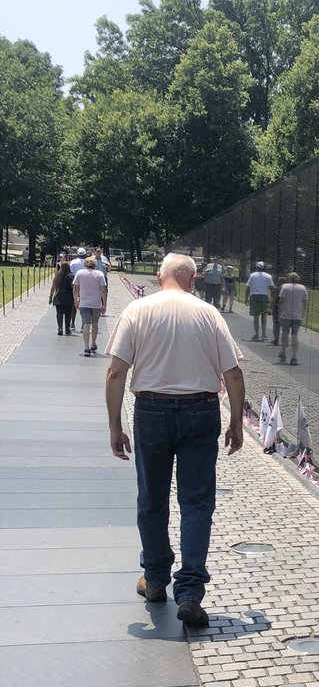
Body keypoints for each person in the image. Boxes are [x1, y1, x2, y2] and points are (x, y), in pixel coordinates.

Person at [104, 253, 246, 630]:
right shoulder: (209, 314)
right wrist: (235, 423)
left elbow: (116, 372)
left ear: (158, 275)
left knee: (151, 498)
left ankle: (154, 579)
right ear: (194, 278)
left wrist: (115, 425)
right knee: (197, 503)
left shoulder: (138, 311)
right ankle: (189, 592)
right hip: (201, 412)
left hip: (151, 411)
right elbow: (232, 374)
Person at [72, 255, 108, 357]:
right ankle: (93, 344)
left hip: (84, 302)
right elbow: (103, 290)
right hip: (96, 303)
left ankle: (86, 347)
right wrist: (104, 303)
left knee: (86, 323)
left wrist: (76, 300)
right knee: (95, 323)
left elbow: (75, 288)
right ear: (95, 264)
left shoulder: (80, 273)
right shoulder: (100, 274)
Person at [276, 272, 309, 365]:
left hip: (286, 314)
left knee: (285, 334)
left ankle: (283, 351)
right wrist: (303, 313)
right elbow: (305, 301)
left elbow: (281, 301)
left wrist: (279, 313)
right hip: (297, 315)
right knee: (295, 335)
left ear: (289, 278)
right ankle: (294, 356)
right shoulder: (302, 288)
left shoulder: (285, 287)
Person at [246, 261, 274, 342]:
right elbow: (271, 288)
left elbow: (248, 287)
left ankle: (256, 334)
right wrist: (272, 298)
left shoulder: (252, 275)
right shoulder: (268, 276)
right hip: (264, 296)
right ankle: (264, 333)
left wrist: (246, 298)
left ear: (256, 267)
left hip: (254, 296)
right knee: (264, 315)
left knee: (256, 316)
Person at [49, 260, 74, 335]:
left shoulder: (57, 275)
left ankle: (60, 328)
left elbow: (53, 287)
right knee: (68, 313)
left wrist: (50, 297)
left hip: (59, 295)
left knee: (59, 313)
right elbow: (73, 287)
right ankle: (67, 328)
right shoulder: (71, 276)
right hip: (68, 296)